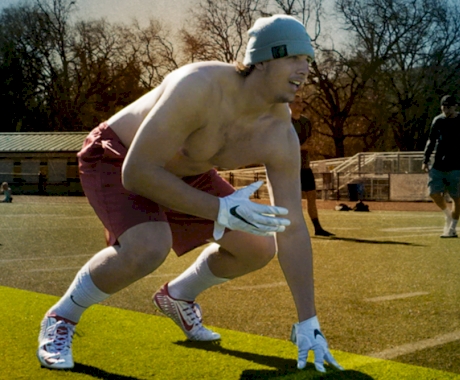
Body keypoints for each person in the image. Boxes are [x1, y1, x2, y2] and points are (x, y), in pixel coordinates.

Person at [36, 15, 343, 374]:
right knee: (149, 246)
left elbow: (291, 227)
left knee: (259, 246)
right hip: (118, 156)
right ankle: (62, 316)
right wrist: (220, 209)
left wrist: (309, 320)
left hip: (188, 172)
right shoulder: (199, 85)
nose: (304, 69)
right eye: (294, 57)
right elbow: (137, 173)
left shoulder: (281, 134)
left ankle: (178, 296)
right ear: (262, 60)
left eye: (308, 60)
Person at [422, 95, 460, 238]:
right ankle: (448, 215)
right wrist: (425, 159)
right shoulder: (438, 120)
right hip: (438, 164)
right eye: (443, 106)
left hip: (456, 164)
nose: (446, 109)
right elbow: (431, 140)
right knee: (433, 193)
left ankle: (452, 228)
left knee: (456, 197)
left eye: (449, 106)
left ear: (455, 106)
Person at [289, 94, 334, 237]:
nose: (299, 105)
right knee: (293, 199)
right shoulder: (285, 122)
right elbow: (283, 146)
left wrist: (309, 147)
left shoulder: (306, 122)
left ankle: (318, 228)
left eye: (300, 102)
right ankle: (293, 229)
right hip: (291, 167)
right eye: (296, 103)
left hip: (304, 166)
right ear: (289, 105)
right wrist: (301, 147)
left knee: (312, 196)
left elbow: (308, 141)